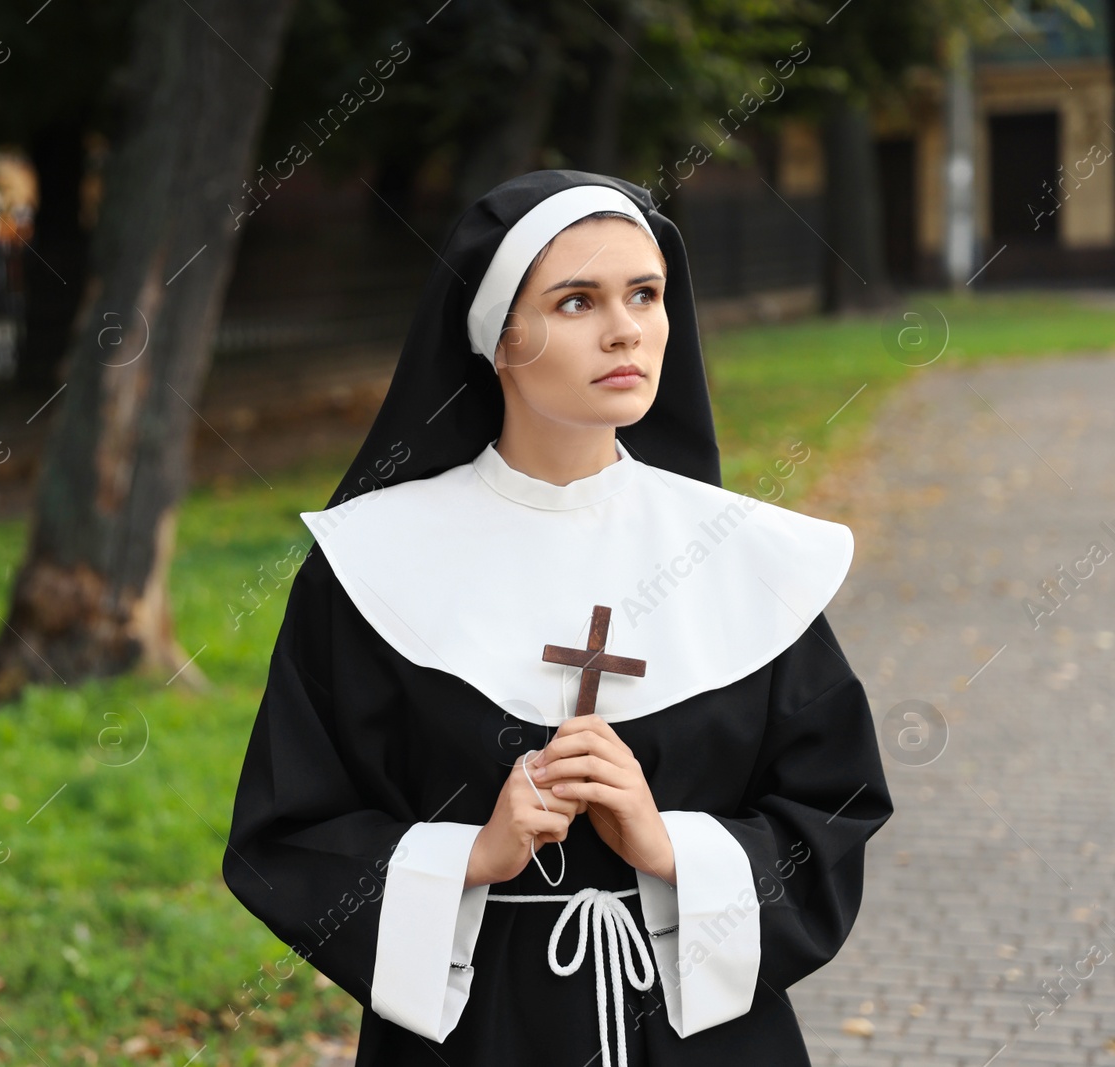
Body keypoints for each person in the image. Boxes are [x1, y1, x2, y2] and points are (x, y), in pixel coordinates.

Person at [222, 169, 894, 1066]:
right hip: (474, 1034)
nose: (626, 328)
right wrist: (473, 855)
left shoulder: (742, 557)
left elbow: (834, 810)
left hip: (704, 1040)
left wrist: (672, 845)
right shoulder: (372, 564)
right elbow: (288, 831)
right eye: (577, 300)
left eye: (646, 294)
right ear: (496, 337)